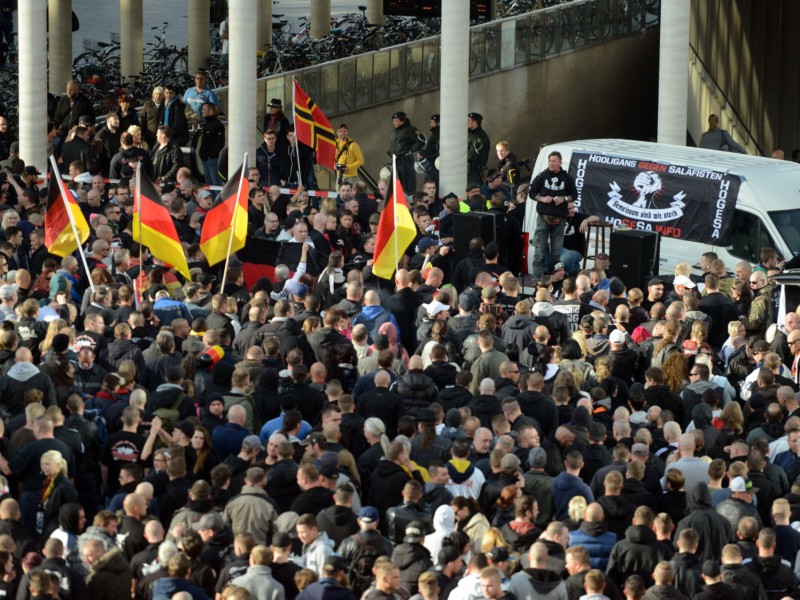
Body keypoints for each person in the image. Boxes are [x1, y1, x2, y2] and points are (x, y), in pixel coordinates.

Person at [529, 151, 576, 278]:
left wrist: (564, 199)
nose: (551, 163)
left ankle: (554, 279)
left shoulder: (567, 178)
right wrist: (543, 199)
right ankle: (536, 279)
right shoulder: (542, 176)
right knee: (539, 251)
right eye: (549, 161)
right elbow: (531, 192)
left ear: (560, 162)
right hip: (543, 218)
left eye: (554, 161)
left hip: (560, 219)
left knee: (556, 253)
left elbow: (574, 195)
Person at [388, 111, 425, 195]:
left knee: (408, 186)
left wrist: (411, 150)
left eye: (396, 121)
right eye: (393, 121)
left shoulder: (411, 130)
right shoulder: (394, 131)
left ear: (403, 120)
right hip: (396, 161)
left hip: (406, 161)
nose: (394, 123)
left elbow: (422, 141)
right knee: (397, 186)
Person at [467, 112, 490, 187]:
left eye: (468, 120)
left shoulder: (480, 137)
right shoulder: (469, 134)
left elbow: (472, 155)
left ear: (474, 122)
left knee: (473, 192)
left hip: (475, 171)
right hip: (467, 170)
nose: (466, 122)